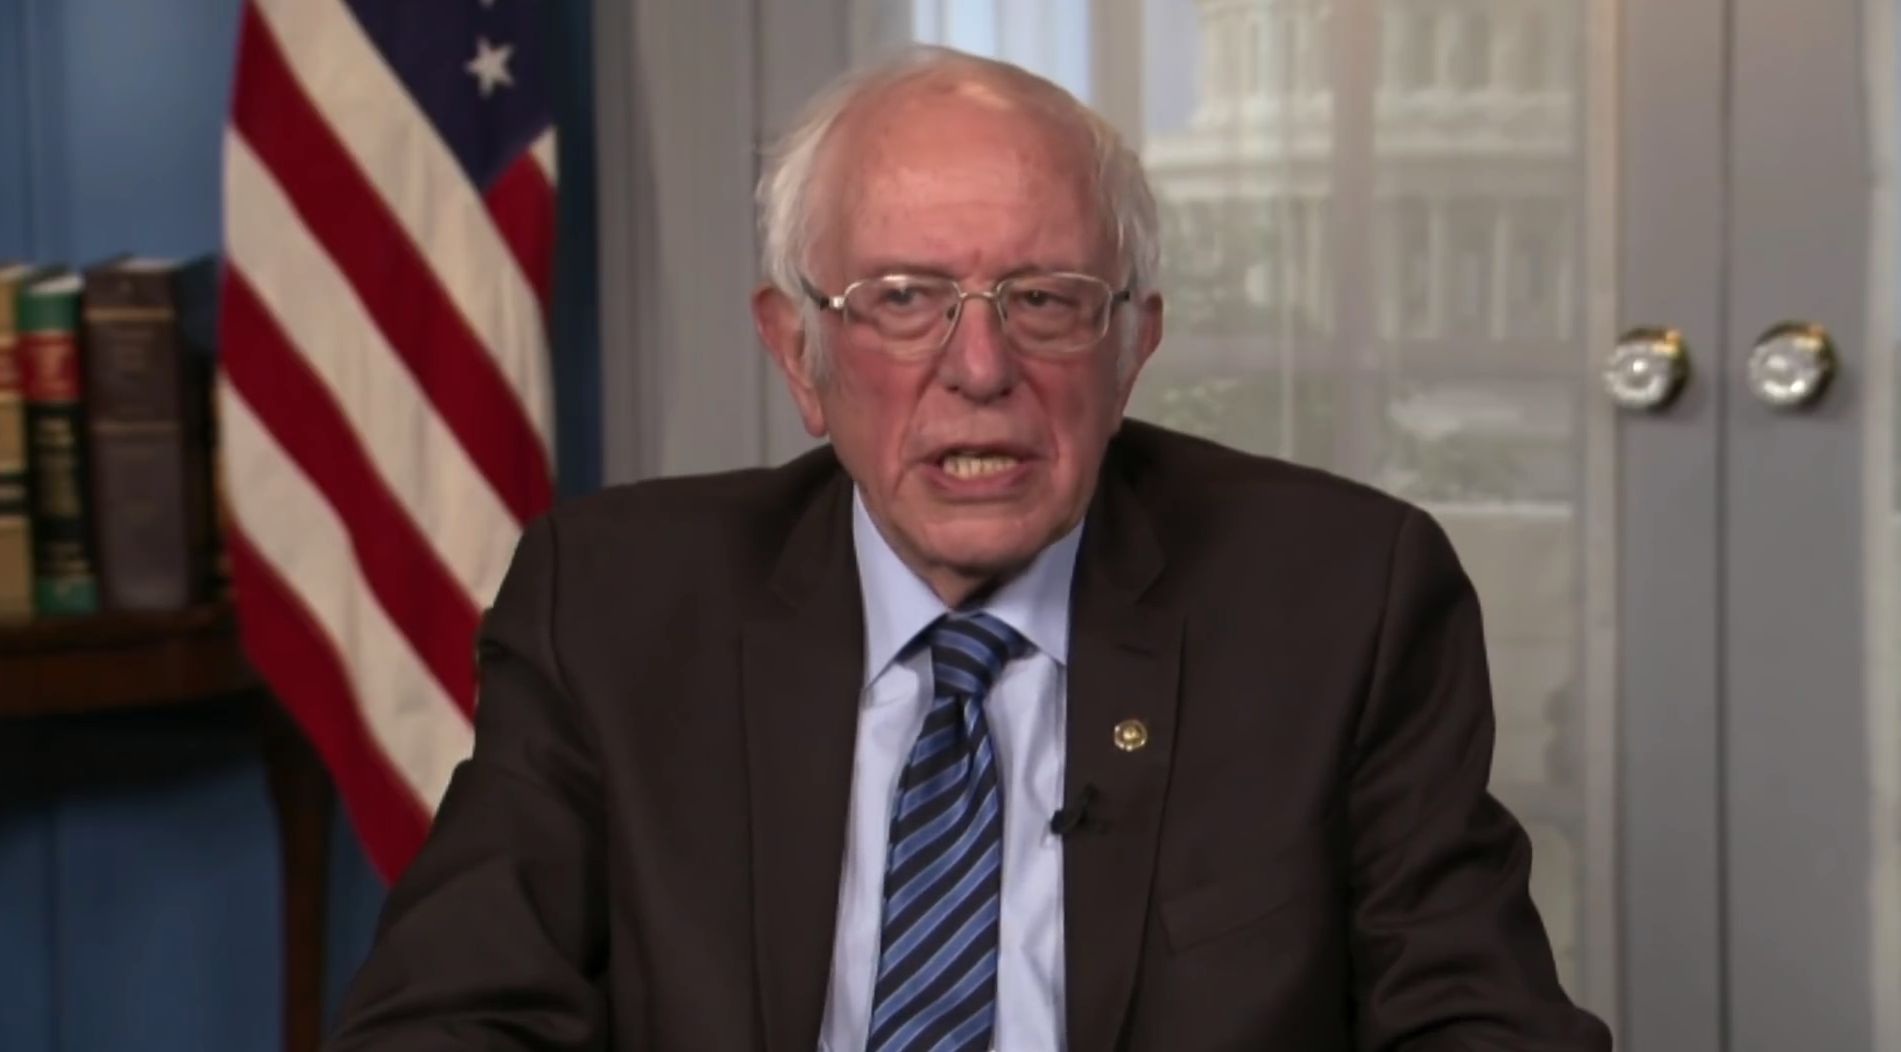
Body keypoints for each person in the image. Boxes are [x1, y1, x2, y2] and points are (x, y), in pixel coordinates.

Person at [322, 44, 1613, 1052]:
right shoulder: (616, 606)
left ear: (1133, 347)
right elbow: (451, 1019)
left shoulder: (1342, 600)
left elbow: (1476, 1022)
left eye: (1045, 300)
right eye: (902, 300)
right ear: (798, 355)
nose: (980, 367)